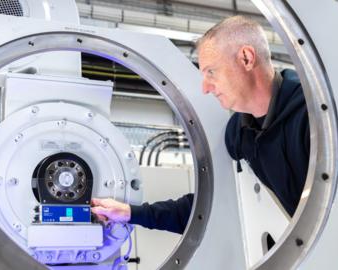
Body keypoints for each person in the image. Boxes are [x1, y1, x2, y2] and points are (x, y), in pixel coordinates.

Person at [91, 15, 309, 234]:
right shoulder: (238, 135)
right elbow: (214, 205)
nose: (205, 88)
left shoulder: (313, 120)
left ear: (246, 58)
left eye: (211, 72)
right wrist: (131, 213)